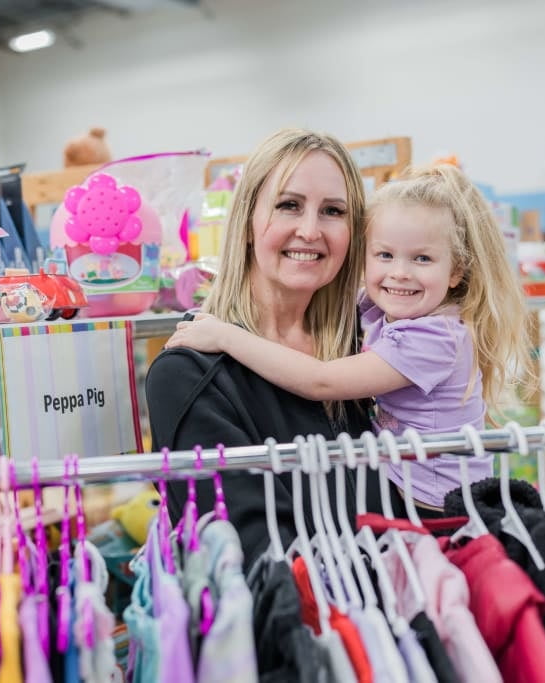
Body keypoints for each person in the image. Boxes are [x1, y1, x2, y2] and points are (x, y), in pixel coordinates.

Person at [166, 163, 533, 510]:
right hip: (404, 486)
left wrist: (226, 336)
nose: (399, 273)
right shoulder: (383, 308)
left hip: (435, 504)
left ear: (456, 272)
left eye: (422, 259)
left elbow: (322, 381)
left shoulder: (434, 338)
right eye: (385, 255)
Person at [145, 128, 382, 566]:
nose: (310, 230)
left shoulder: (368, 349)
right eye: (288, 205)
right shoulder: (189, 375)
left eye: (333, 211)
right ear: (249, 224)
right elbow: (252, 555)